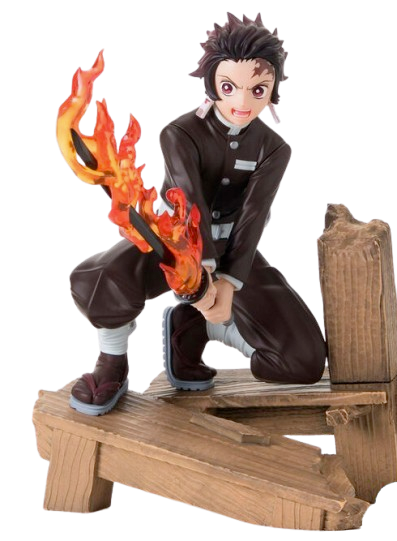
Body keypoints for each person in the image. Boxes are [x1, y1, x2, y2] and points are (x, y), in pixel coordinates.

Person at [68, 12, 327, 416]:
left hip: (234, 250)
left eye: (258, 89)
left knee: (303, 359)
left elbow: (253, 218)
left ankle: (198, 327)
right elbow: (190, 202)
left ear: (273, 89)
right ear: (212, 84)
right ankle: (112, 360)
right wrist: (201, 277)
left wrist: (227, 285)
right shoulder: (179, 133)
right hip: (171, 237)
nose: (242, 103)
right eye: (230, 87)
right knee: (105, 279)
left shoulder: (274, 148)